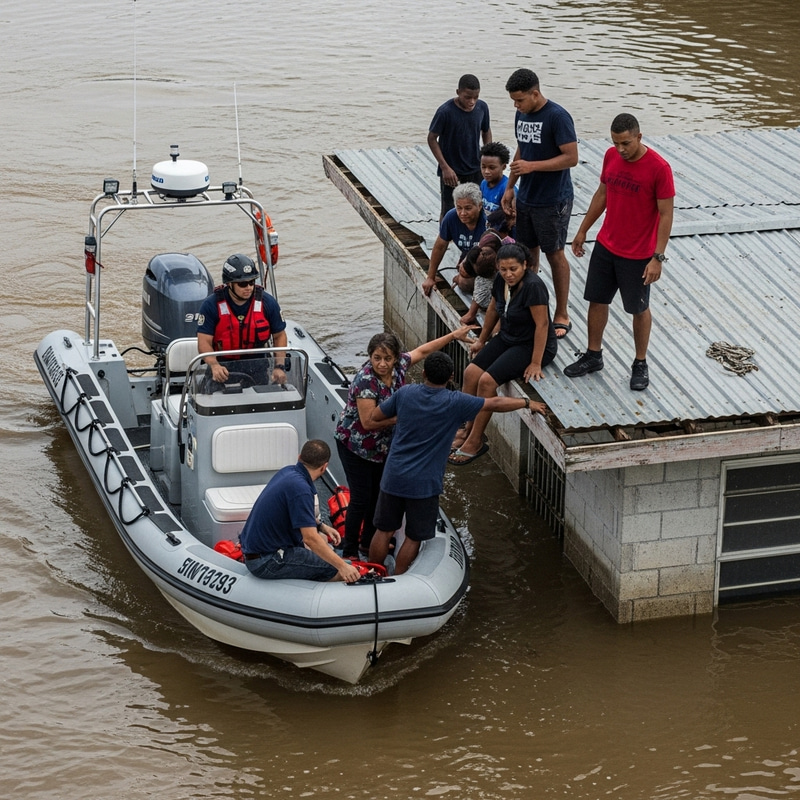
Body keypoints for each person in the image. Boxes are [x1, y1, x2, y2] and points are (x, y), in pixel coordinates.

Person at [367, 351, 545, 574]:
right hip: (424, 484)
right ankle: (398, 578)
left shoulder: (405, 393)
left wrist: (405, 416)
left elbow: (375, 417)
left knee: (384, 530)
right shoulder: (455, 402)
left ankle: (373, 571)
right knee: (413, 537)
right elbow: (495, 402)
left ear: (423, 373)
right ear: (451, 377)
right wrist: (527, 402)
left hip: (393, 475)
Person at [334, 325, 478, 559]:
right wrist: (407, 416)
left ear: (395, 358)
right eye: (376, 358)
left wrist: (453, 336)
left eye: (387, 358)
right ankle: (349, 549)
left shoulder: (400, 365)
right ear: (370, 357)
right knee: (361, 498)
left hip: (382, 448)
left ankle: (367, 543)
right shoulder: (365, 381)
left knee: (377, 496)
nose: (382, 363)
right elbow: (368, 422)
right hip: (356, 446)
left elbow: (422, 351)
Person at [565, 113, 675, 391]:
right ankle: (593, 354)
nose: (621, 149)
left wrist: (657, 258)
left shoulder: (659, 168)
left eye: (626, 143)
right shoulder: (611, 157)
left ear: (639, 136)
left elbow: (666, 215)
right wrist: (583, 230)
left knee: (638, 308)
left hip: (638, 254)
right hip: (606, 245)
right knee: (597, 300)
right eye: (616, 143)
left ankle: (640, 362)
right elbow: (602, 194)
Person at [450, 243, 554, 464]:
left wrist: (535, 362)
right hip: (508, 336)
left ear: (525, 265)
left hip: (529, 344)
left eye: (514, 269)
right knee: (471, 373)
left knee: (487, 382)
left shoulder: (533, 287)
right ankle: (468, 428)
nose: (508, 274)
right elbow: (493, 309)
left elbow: (542, 325)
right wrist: (481, 340)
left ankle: (475, 440)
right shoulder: (501, 280)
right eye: (504, 269)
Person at [501, 68, 578, 339]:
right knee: (526, 254)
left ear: (535, 93)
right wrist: (510, 186)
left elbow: (571, 157)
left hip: (553, 199)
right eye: (514, 101)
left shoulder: (557, 117)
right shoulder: (521, 115)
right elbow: (521, 148)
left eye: (520, 100)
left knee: (554, 253)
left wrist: (534, 166)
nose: (516, 105)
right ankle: (527, 307)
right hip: (526, 196)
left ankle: (562, 312)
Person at [239, 440, 361, 583]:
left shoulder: (288, 472)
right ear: (324, 467)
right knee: (334, 569)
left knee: (323, 546)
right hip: (267, 560)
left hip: (256, 551)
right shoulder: (301, 490)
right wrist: (341, 567)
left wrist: (322, 526)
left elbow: (296, 514)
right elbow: (310, 539)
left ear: (299, 457)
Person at [196, 253, 288, 385]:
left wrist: (279, 366)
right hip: (222, 368)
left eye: (252, 282)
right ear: (229, 284)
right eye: (243, 284)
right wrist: (214, 365)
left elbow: (279, 336)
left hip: (257, 368)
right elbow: (204, 341)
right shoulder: (211, 305)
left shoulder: (267, 303)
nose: (249, 288)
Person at [428, 74, 492, 219]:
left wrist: (487, 157)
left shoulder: (482, 108)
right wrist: (445, 167)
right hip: (452, 170)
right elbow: (432, 138)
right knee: (449, 210)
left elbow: (486, 130)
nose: (472, 101)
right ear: (458, 92)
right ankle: (445, 239)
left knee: (476, 206)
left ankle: (475, 238)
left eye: (476, 97)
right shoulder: (445, 112)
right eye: (467, 97)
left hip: (475, 167)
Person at [422, 182, 487, 296]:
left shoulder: (488, 222)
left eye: (468, 208)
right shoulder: (451, 217)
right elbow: (440, 246)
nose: (462, 213)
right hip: (469, 256)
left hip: (486, 261)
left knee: (466, 283)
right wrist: (430, 277)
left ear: (480, 206)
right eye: (459, 208)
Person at [479, 141, 514, 215]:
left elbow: (510, 216)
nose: (486, 171)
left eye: (491, 168)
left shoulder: (507, 188)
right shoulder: (483, 183)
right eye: (483, 167)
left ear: (503, 167)